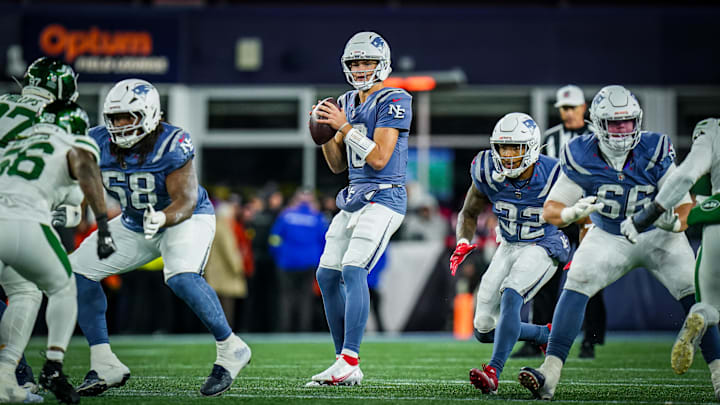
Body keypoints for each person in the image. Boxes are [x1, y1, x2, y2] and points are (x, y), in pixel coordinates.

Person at [518, 85, 720, 400]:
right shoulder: (580, 153)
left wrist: (674, 220)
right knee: (577, 281)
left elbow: (682, 204)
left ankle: (719, 374)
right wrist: (572, 211)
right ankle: (550, 373)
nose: (624, 130)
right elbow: (551, 209)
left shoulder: (655, 148)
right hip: (609, 233)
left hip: (659, 236)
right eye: (615, 123)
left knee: (697, 296)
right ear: (599, 124)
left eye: (629, 122)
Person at [68, 78, 251, 397]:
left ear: (151, 114)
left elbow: (187, 199)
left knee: (180, 276)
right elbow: (86, 178)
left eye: (129, 117)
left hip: (185, 218)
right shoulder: (95, 142)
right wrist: (84, 211)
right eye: (116, 118)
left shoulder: (173, 142)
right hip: (134, 221)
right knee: (77, 272)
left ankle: (231, 348)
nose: (122, 125)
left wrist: (163, 217)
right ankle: (104, 362)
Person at [307, 31, 412, 386]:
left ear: (382, 64)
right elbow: (338, 165)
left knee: (353, 270)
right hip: (353, 196)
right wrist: (323, 134)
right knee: (326, 275)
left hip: (385, 197)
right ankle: (342, 361)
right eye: (354, 62)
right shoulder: (346, 100)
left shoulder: (395, 97)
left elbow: (381, 158)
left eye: (366, 61)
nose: (361, 68)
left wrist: (343, 126)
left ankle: (350, 358)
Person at [0, 100, 116, 404]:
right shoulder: (71, 141)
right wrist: (102, 226)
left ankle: (5, 378)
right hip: (21, 222)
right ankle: (52, 367)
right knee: (64, 287)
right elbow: (84, 170)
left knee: (24, 291)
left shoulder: (15, 143)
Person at [449, 112, 569, 394]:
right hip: (508, 245)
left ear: (532, 147)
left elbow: (578, 211)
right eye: (503, 146)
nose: (508, 154)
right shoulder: (487, 170)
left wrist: (583, 246)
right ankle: (544, 334)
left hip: (544, 242)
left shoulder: (554, 172)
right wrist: (463, 240)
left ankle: (493, 372)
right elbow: (469, 212)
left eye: (516, 147)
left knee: (511, 292)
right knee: (482, 329)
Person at [622, 117, 720, 399]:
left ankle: (699, 317)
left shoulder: (712, 132)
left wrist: (648, 217)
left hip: (716, 226)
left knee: (709, 306)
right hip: (712, 212)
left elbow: (685, 176)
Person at [0, 56, 80, 395]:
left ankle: (12, 377)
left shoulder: (3, 103)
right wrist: (69, 206)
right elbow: (75, 188)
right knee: (29, 290)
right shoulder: (60, 121)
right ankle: (8, 376)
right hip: (18, 216)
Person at [513, 85, 606, 359]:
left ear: (583, 107)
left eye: (571, 107)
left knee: (591, 275)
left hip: (592, 213)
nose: (566, 113)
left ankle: (591, 339)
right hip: (560, 213)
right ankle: (538, 338)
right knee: (545, 275)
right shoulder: (551, 138)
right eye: (563, 108)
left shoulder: (599, 136)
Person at [269, 189, 328, 332]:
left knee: (286, 296)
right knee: (305, 297)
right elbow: (325, 241)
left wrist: (278, 255)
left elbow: (274, 239)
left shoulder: (286, 215)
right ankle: (303, 330)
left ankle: (284, 329)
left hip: (286, 262)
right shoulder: (318, 217)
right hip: (309, 262)